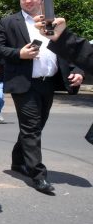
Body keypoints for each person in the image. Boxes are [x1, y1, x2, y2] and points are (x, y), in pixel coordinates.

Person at [0, 0, 84, 195]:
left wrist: (78, 69)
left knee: (34, 126)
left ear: (41, 0)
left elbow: (69, 48)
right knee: (31, 128)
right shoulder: (9, 22)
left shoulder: (53, 22)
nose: (27, 1)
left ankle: (18, 161)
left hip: (48, 83)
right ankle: (38, 175)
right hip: (24, 83)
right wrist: (19, 54)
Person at [35, 16, 93, 145]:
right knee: (31, 129)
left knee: (34, 129)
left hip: (48, 85)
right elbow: (89, 56)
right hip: (28, 84)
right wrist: (62, 37)